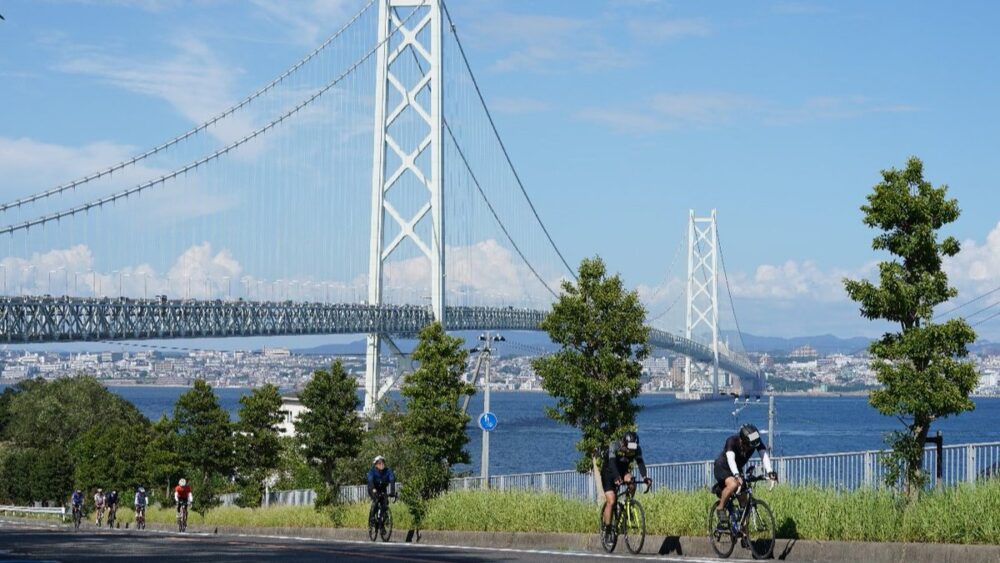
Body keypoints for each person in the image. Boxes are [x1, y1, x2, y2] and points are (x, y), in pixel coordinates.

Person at [714, 423, 777, 524]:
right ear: (742, 441)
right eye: (749, 446)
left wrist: (770, 471)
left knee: (744, 505)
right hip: (722, 467)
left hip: (737, 469)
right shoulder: (731, 441)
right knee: (734, 484)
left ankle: (744, 535)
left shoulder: (754, 439)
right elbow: (731, 459)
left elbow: (763, 454)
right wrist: (737, 475)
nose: (751, 449)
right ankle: (720, 508)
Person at [600, 431, 651, 534]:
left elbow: (640, 463)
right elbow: (612, 463)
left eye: (633, 449)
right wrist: (616, 477)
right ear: (623, 443)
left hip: (623, 472)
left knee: (632, 483)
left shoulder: (636, 449)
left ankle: (628, 505)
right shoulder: (614, 446)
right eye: (628, 448)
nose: (630, 451)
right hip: (608, 472)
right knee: (612, 500)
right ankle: (608, 528)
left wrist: (645, 477)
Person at [366, 456, 396, 523]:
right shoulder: (372, 471)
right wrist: (373, 489)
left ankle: (382, 524)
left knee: (385, 503)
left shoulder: (388, 471)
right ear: (376, 465)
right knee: (376, 500)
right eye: (379, 463)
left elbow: (392, 480)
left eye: (383, 463)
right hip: (372, 488)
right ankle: (372, 517)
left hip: (382, 489)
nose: (381, 464)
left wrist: (392, 492)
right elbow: (370, 481)